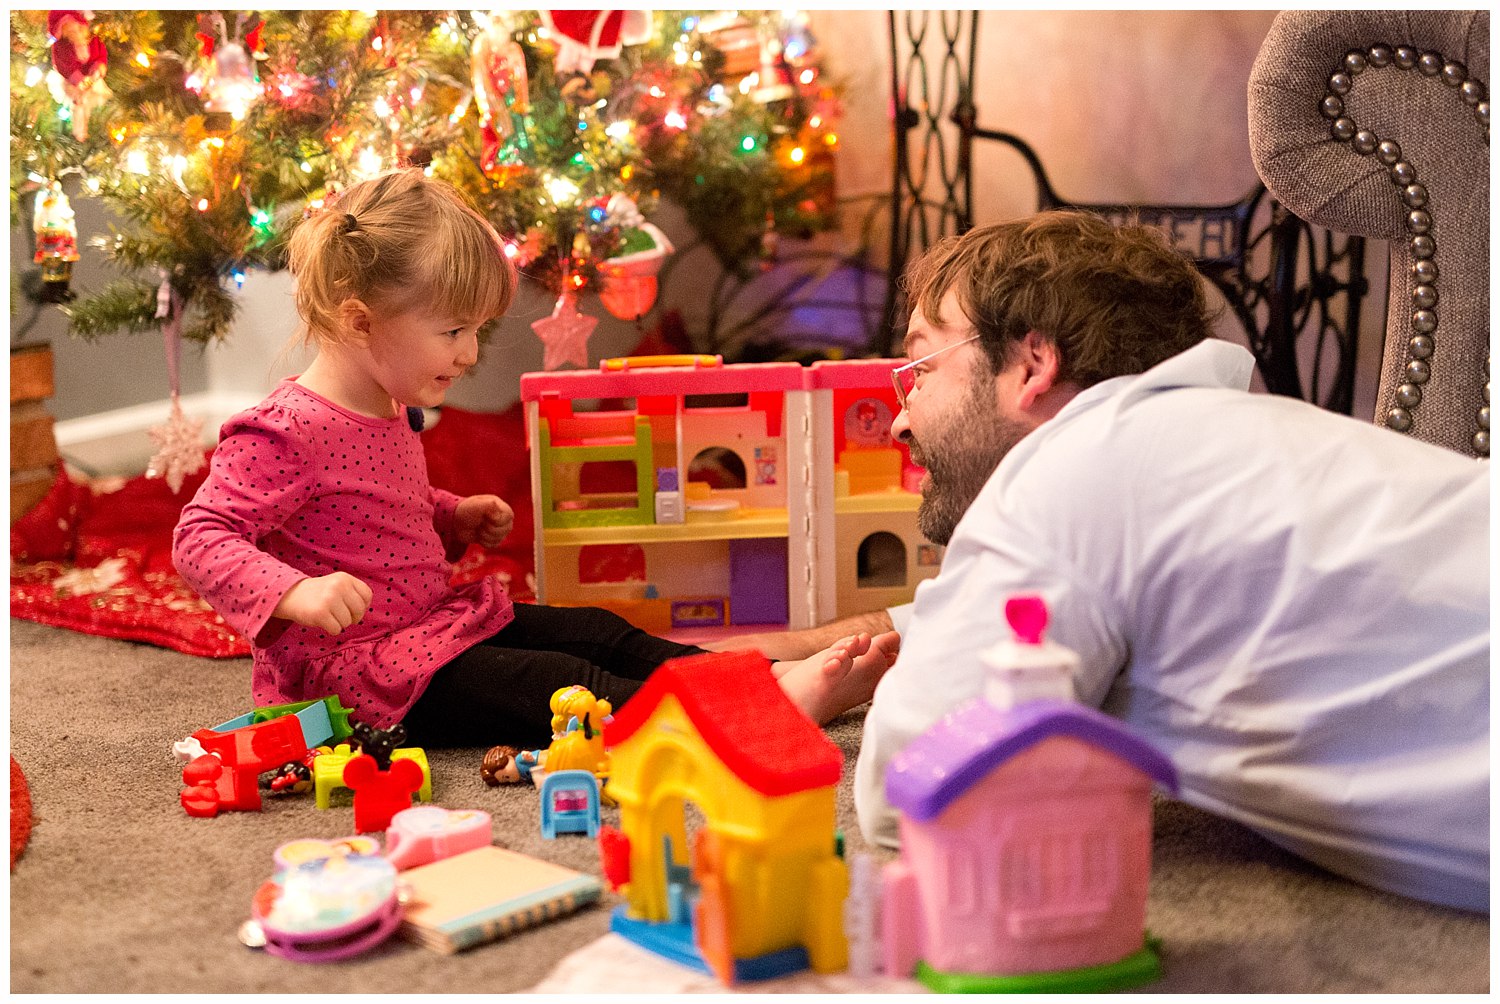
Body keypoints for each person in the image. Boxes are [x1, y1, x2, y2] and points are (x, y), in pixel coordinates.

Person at [782, 210, 1487, 913]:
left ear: (1032, 364)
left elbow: (908, 793)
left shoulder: (1071, 467)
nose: (902, 417)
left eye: (923, 368)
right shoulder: (1210, 443)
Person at [172, 168, 898, 752]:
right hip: (365, 678)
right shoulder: (282, 431)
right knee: (565, 683)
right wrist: (295, 593)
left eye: (476, 329)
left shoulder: (387, 404)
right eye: (453, 329)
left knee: (601, 633)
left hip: (430, 627)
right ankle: (742, 713)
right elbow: (200, 538)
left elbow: (363, 507)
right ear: (360, 320)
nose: (468, 352)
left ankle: (766, 679)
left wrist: (450, 513)